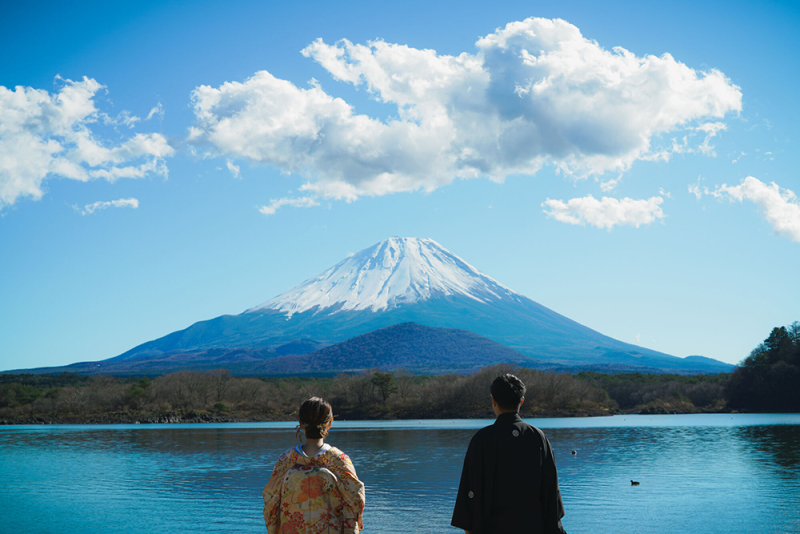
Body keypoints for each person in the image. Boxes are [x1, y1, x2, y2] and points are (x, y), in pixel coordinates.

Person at [451, 374, 567, 534]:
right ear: (522, 401)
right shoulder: (538, 437)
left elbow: (469, 495)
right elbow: (551, 493)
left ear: (493, 401)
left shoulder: (481, 440)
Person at [263, 397, 365, 534]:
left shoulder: (286, 460)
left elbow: (271, 500)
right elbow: (355, 500)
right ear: (329, 424)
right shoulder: (338, 460)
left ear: (301, 424)